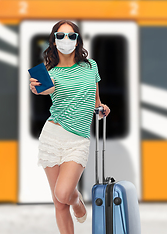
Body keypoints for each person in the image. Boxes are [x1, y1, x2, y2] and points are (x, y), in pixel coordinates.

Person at [29, 20, 110, 234]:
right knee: (58, 203)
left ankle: (77, 201)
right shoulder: (50, 73)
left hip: (77, 141)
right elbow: (43, 90)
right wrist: (36, 89)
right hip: (52, 136)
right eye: (61, 36)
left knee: (64, 194)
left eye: (71, 36)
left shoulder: (91, 66)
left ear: (77, 40)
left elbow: (96, 101)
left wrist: (102, 108)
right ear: (54, 41)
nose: (66, 40)